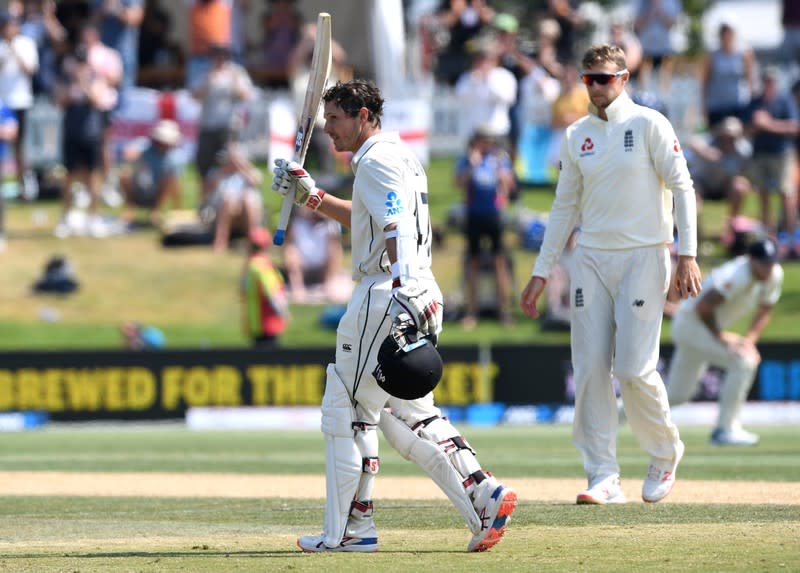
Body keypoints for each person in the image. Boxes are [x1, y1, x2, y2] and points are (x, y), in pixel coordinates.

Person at [271, 79, 516, 553]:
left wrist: (403, 285)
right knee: (410, 416)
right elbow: (370, 219)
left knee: (347, 409)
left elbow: (395, 223)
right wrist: (312, 198)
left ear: (363, 115)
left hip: (388, 291)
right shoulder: (397, 156)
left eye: (337, 121)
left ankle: (348, 531)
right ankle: (485, 494)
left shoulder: (378, 160)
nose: (329, 132)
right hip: (414, 285)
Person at [519, 44, 703, 505]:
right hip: (591, 260)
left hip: (645, 254)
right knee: (590, 369)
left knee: (633, 368)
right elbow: (564, 207)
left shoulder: (649, 124)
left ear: (623, 78)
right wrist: (541, 272)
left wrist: (689, 254)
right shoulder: (577, 134)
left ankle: (665, 451)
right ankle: (603, 474)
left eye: (603, 78)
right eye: (588, 79)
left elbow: (683, 186)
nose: (595, 87)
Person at [665, 238, 782, 447]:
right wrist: (722, 337)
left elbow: (765, 310)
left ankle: (609, 418)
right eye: (763, 263)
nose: (768, 268)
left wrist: (749, 340)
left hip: (696, 328)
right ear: (751, 260)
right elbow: (704, 307)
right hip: (691, 326)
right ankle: (724, 430)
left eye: (771, 262)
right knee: (744, 362)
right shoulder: (737, 275)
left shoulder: (775, 275)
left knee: (675, 396)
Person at [455, 124, 516, 329]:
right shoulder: (468, 159)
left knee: (500, 262)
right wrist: (472, 166)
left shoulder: (499, 159)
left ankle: (504, 310)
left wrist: (501, 173)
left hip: (494, 215)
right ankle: (471, 311)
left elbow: (509, 185)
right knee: (472, 263)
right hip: (474, 215)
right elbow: (458, 183)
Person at [743, 66, 800, 258]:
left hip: (781, 154)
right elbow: (746, 130)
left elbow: (793, 127)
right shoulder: (755, 102)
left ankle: (791, 240)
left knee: (787, 194)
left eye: (771, 80)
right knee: (763, 195)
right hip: (760, 154)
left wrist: (768, 124)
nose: (768, 83)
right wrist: (757, 125)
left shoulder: (785, 101)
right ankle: (770, 239)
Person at [119, 118, 183, 226]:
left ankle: (156, 210)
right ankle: (129, 209)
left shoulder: (174, 159)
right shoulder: (143, 147)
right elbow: (129, 154)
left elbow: (175, 185)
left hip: (156, 194)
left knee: (169, 179)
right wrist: (133, 156)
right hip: (138, 190)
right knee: (125, 173)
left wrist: (178, 209)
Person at [283, 205, 346, 303]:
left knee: (335, 249)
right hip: (303, 268)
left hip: (322, 268)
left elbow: (336, 245)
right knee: (291, 252)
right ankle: (298, 288)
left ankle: (328, 285)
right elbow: (289, 243)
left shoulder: (330, 225)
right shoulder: (298, 222)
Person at [206, 144, 263, 252]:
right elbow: (210, 192)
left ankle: (254, 239)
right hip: (222, 212)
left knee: (246, 200)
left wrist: (243, 168)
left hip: (246, 211)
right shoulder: (218, 173)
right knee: (228, 200)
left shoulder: (250, 172)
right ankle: (221, 239)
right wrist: (224, 170)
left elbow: (255, 182)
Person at [240, 226, 288, 348]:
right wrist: (283, 313)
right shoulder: (262, 265)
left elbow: (271, 294)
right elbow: (273, 293)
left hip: (263, 323)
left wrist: (282, 312)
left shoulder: (255, 266)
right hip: (264, 323)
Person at [701, 22, 754, 130]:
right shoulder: (713, 56)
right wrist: (704, 106)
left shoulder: (743, 54)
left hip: (738, 104)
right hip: (717, 106)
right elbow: (705, 82)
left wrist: (752, 102)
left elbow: (750, 79)